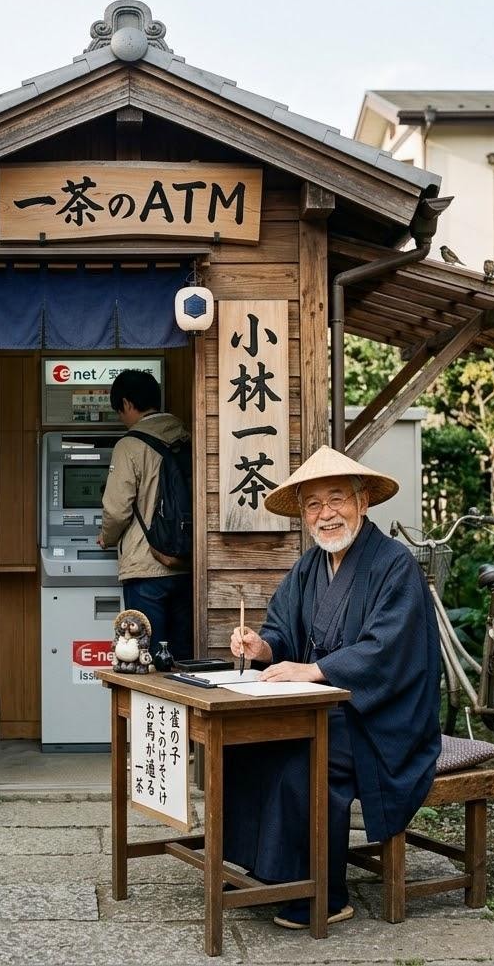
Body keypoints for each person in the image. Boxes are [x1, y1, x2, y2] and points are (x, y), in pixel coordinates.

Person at [226, 444, 441, 930]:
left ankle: (324, 891)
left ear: (363, 503)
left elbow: (387, 649)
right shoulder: (308, 568)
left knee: (304, 756)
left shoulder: (394, 566)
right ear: (303, 514)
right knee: (247, 745)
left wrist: (317, 671)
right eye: (313, 505)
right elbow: (283, 629)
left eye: (337, 499)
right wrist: (262, 647)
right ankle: (268, 871)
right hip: (326, 707)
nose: (326, 515)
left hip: (382, 718)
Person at [96, 369, 194, 660]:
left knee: (146, 654)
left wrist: (106, 537)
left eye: (119, 411)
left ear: (126, 404)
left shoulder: (130, 445)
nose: (121, 417)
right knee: (182, 655)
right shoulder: (187, 437)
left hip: (145, 565)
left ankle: (151, 705)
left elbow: (116, 509)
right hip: (184, 562)